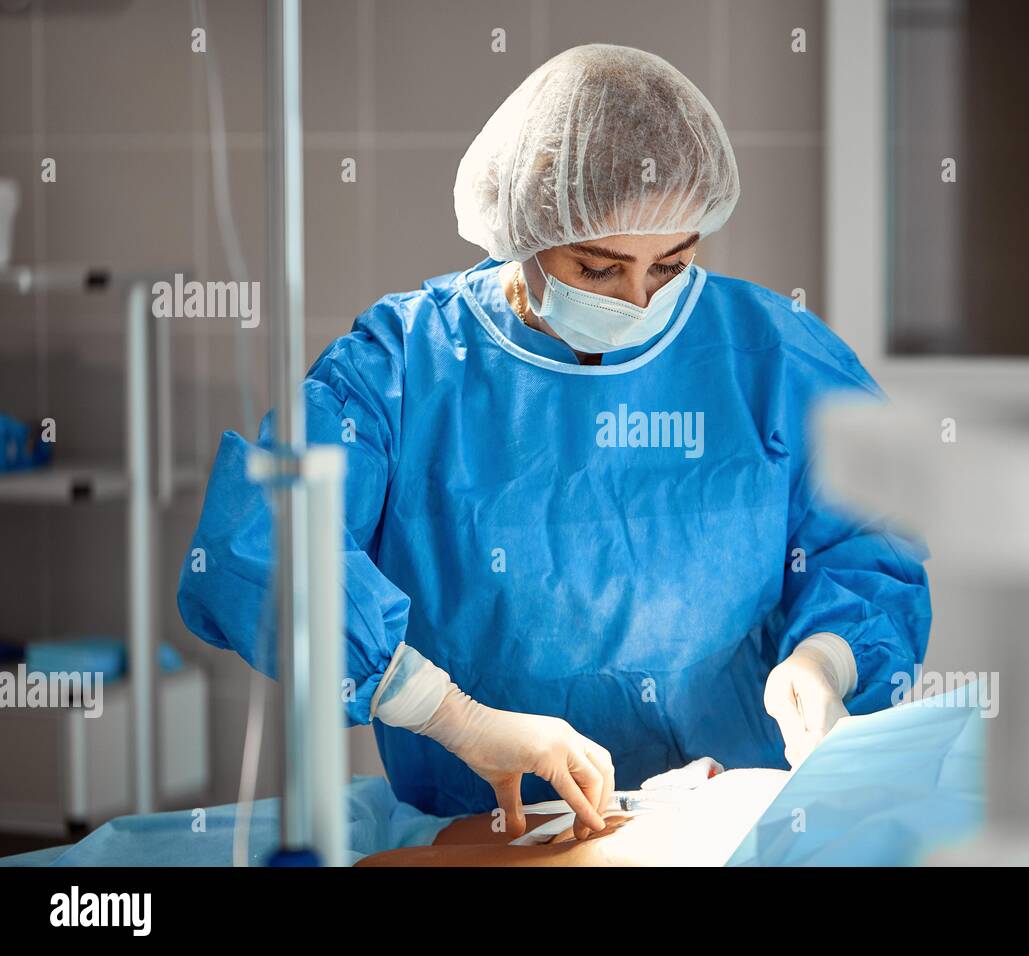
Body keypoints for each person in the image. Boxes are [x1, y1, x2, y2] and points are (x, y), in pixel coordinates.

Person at [177, 43, 931, 838]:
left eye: (671, 265)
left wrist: (824, 660)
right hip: (489, 833)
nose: (640, 300)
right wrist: (448, 714)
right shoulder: (407, 366)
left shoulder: (771, 356)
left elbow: (867, 541)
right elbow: (259, 541)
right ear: (527, 227)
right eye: (600, 269)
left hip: (732, 832)